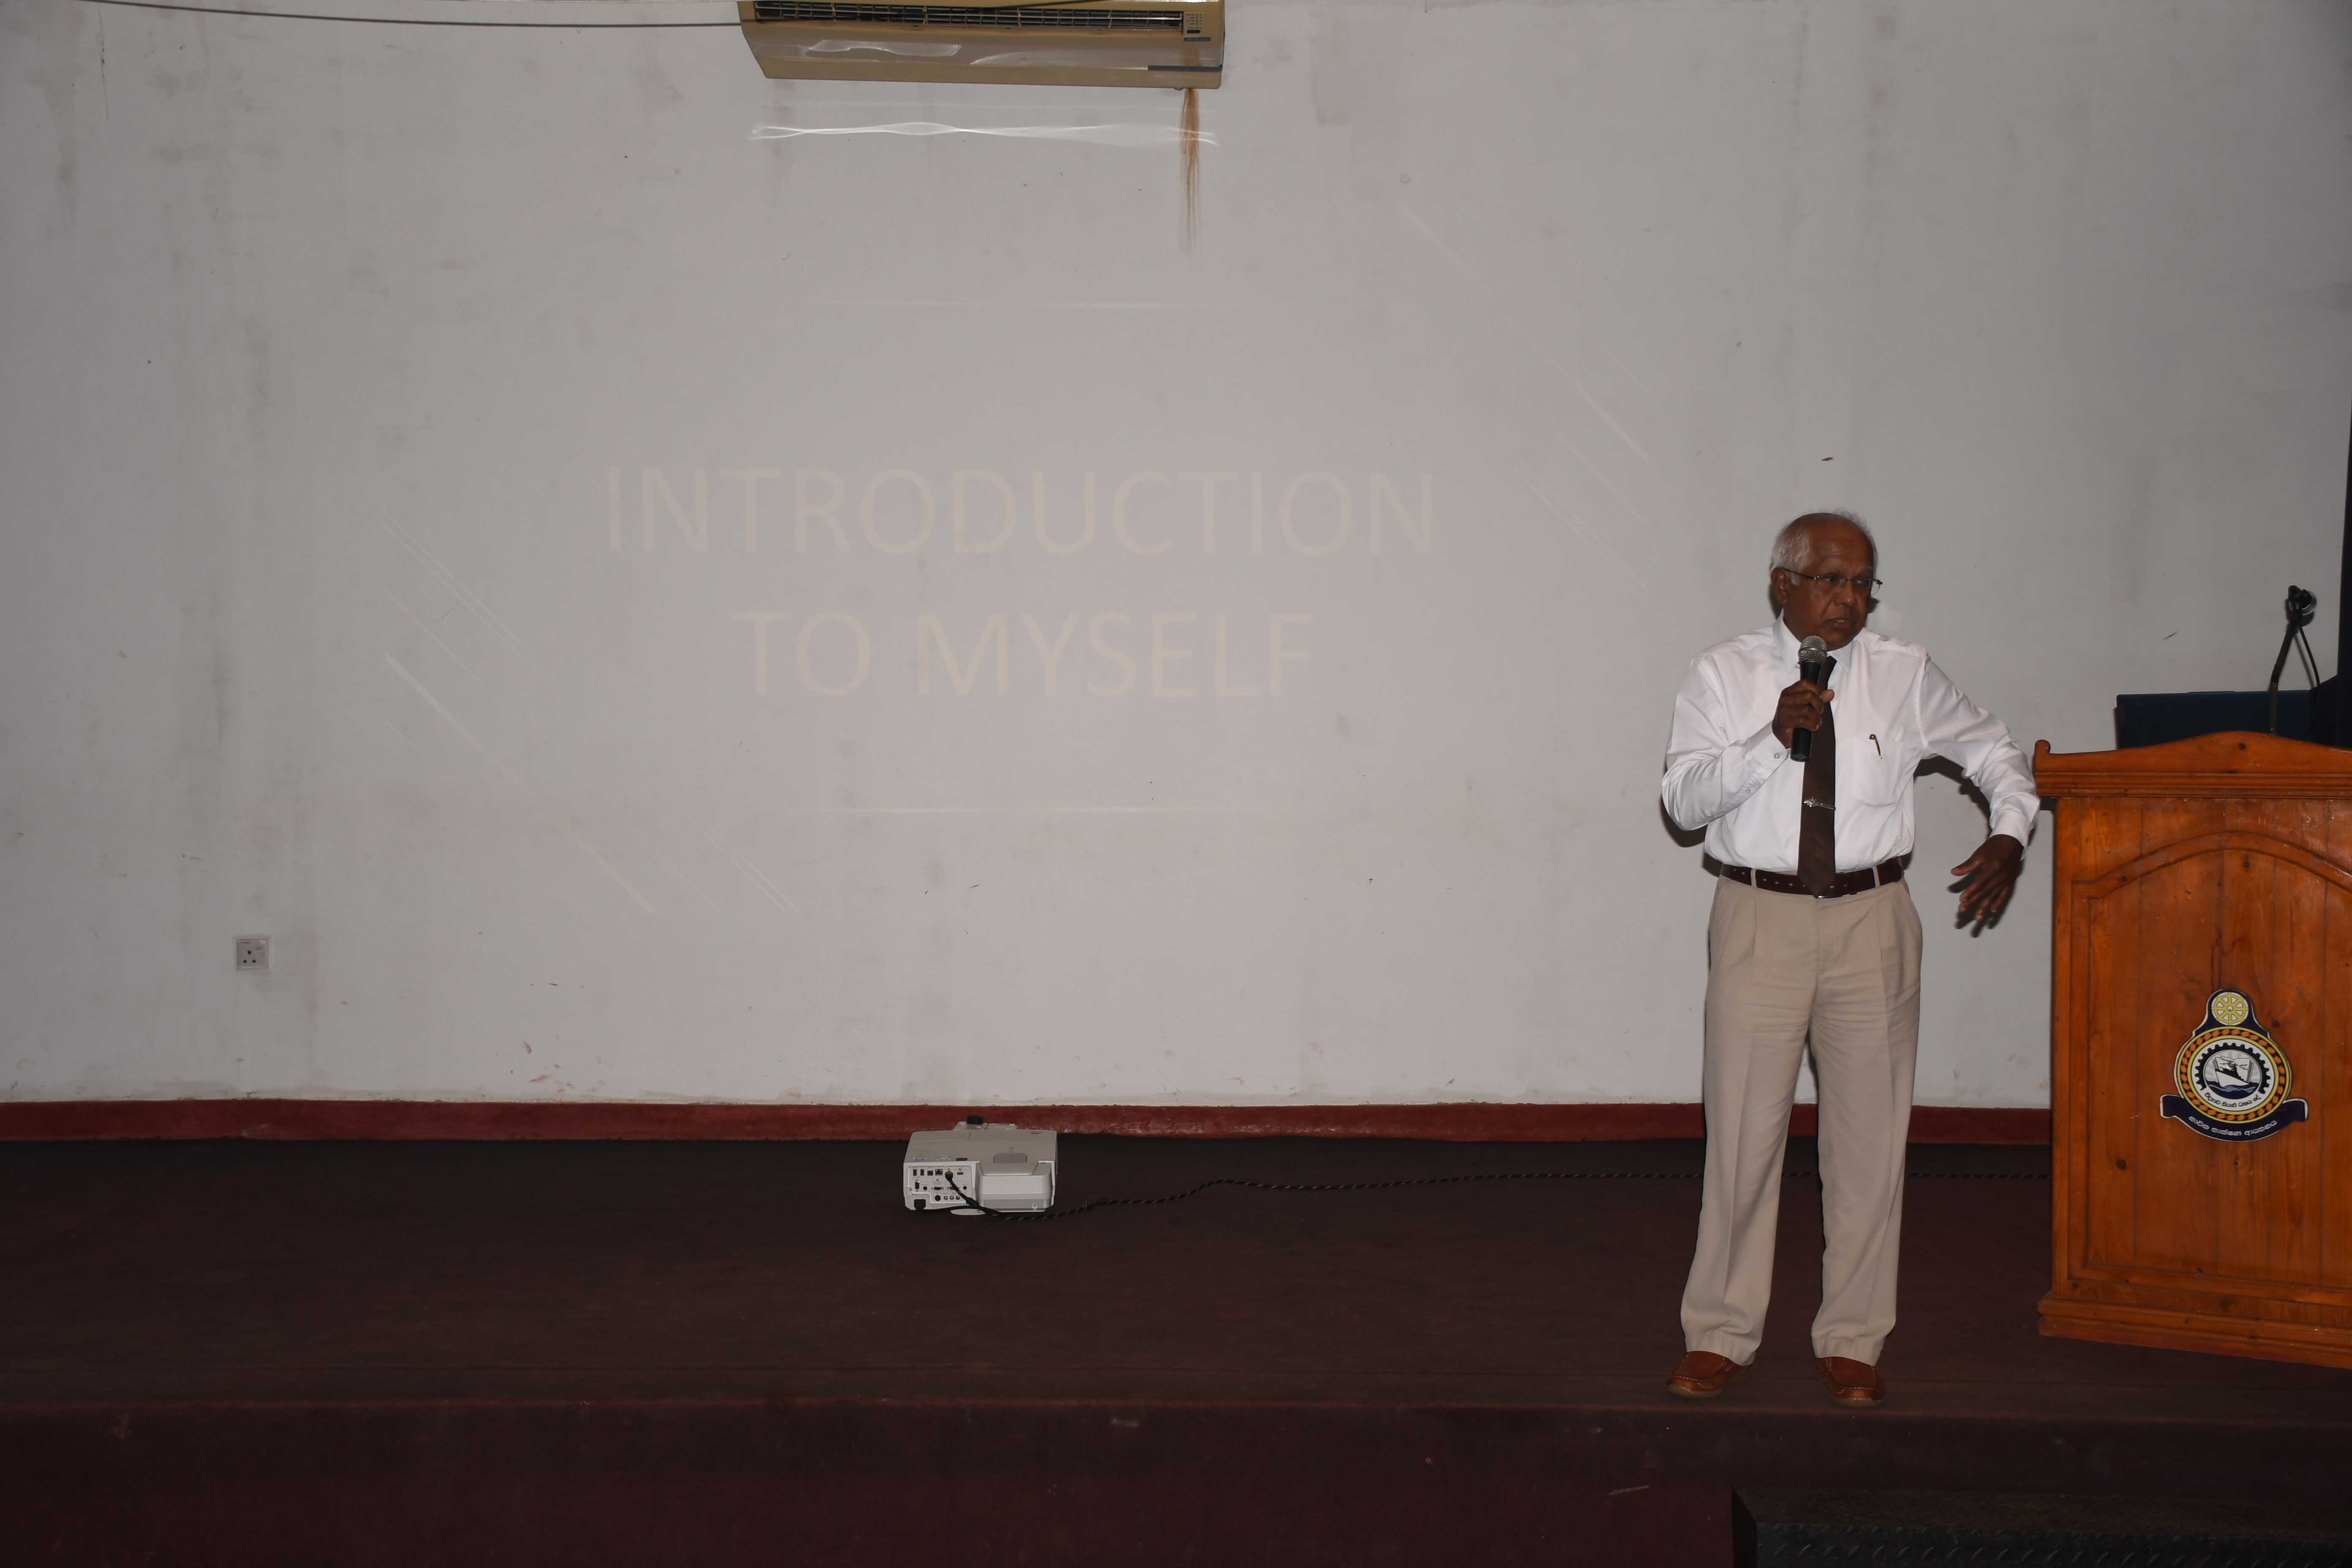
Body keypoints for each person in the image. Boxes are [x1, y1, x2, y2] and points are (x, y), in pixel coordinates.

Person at [1658, 512, 2036, 1408]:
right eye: (1831, 580)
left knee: (1869, 1143)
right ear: (1781, 584)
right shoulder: (1723, 672)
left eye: (1863, 583)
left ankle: (1854, 1337)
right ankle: (1721, 1332)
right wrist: (1770, 738)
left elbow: (1994, 749)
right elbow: (1682, 802)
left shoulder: (1904, 672)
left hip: (1873, 919)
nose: (1850, 599)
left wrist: (2012, 829)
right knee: (1742, 1137)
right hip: (1761, 916)